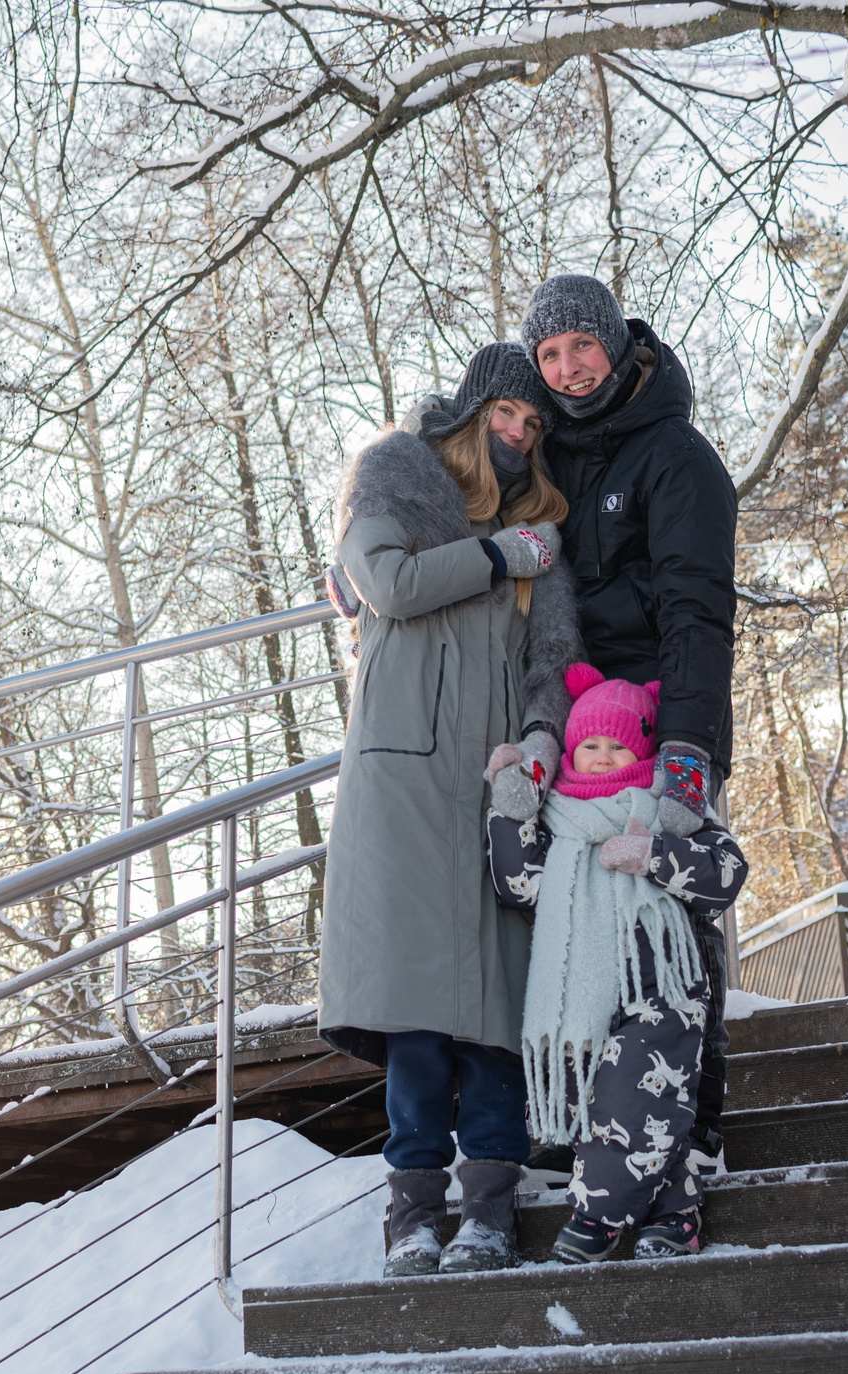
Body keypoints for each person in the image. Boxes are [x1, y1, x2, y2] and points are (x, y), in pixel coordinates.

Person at [318, 342, 585, 1277]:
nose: (518, 435)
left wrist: (544, 742)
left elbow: (552, 664)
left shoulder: (540, 534)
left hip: (494, 790)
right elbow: (386, 585)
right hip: (400, 787)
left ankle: (487, 1208)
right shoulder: (392, 477)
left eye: (532, 424)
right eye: (505, 415)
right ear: (471, 415)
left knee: (494, 1008)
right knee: (419, 1013)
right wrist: (493, 554)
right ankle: (413, 1211)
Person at [511, 273, 741, 1176]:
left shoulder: (676, 456)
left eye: (582, 347)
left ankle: (695, 1128)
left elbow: (697, 608)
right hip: (578, 726)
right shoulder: (547, 454)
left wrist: (687, 752)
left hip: (663, 717)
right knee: (576, 903)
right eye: (550, 356)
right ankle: (594, 1122)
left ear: (615, 343)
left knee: (673, 906)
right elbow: (451, 468)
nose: (568, 370)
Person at [486, 666, 749, 1261]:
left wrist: (654, 855)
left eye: (618, 744)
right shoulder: (556, 821)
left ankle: (597, 1214)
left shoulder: (672, 808)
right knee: (624, 1103)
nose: (603, 757)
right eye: (591, 744)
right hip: (584, 996)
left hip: (664, 990)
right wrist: (508, 806)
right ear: (573, 750)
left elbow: (728, 875)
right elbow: (518, 884)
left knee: (634, 1098)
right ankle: (676, 1214)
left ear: (644, 747)